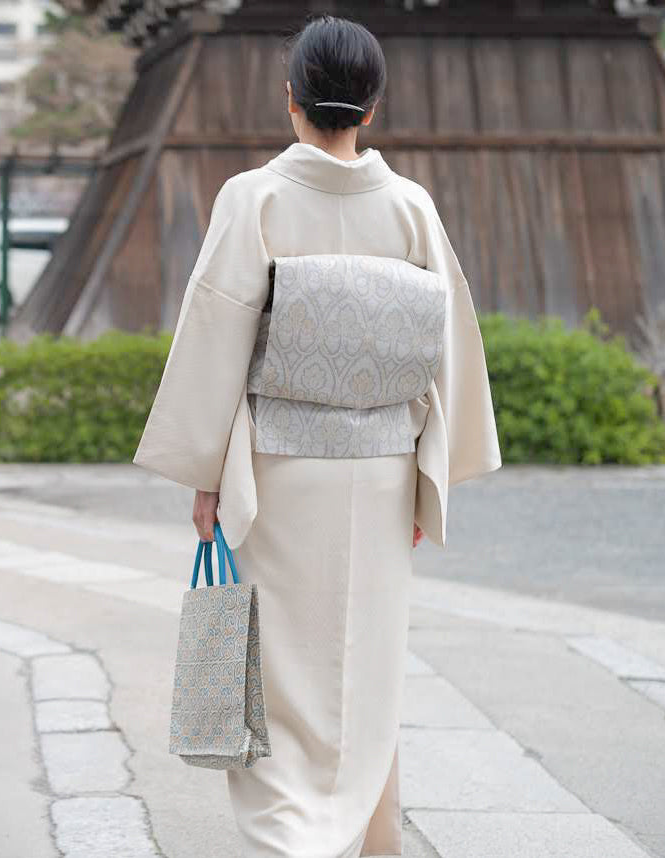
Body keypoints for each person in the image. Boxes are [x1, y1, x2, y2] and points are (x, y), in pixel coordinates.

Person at [133, 15, 501, 858]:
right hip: (378, 471)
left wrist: (204, 478)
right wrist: (426, 476)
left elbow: (216, 339)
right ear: (371, 108)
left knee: (286, 675)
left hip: (277, 472)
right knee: (362, 672)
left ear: (291, 98)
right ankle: (366, 839)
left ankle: (294, 840)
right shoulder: (410, 208)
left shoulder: (253, 197)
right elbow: (445, 352)